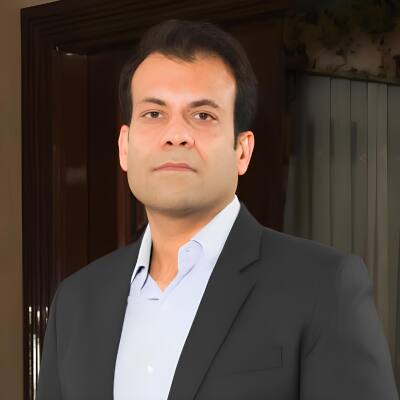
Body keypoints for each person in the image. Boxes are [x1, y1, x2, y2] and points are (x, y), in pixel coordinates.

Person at [36, 19, 399, 400]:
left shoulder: (322, 286)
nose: (176, 135)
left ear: (242, 150)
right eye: (154, 114)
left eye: (203, 115)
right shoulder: (76, 301)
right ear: (125, 147)